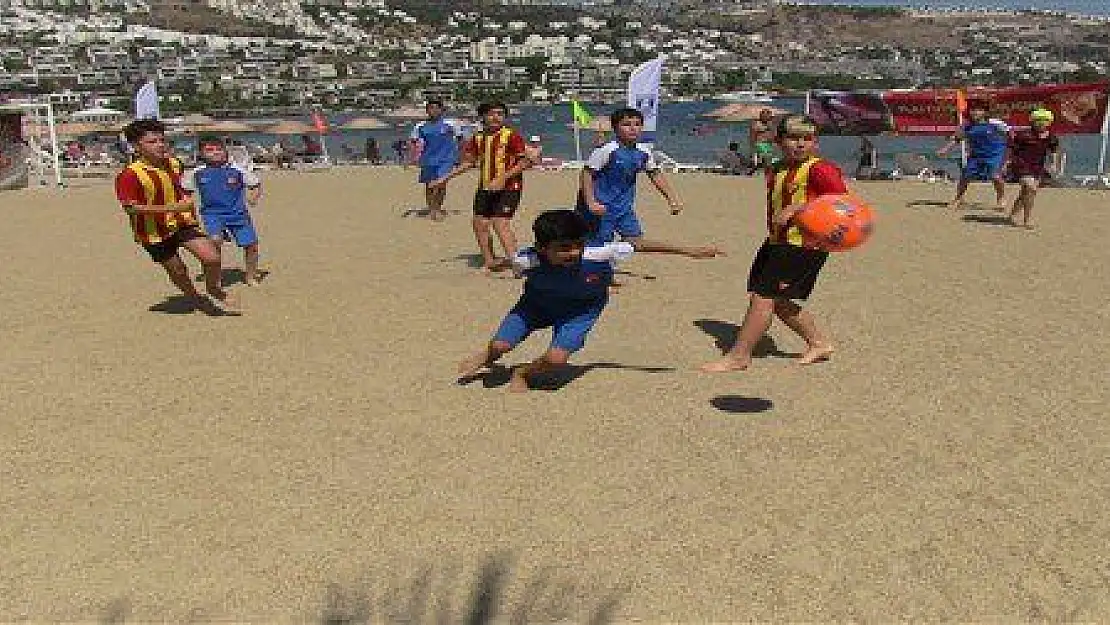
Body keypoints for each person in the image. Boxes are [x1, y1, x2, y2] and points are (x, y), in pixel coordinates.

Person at [458, 210, 693, 392]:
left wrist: (690, 251)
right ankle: (487, 357)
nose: (574, 252)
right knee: (501, 345)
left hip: (581, 310)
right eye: (563, 248)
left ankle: (523, 373)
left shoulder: (598, 253)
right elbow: (508, 263)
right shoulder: (528, 260)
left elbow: (640, 245)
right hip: (535, 305)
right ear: (541, 248)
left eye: (578, 245)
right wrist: (494, 265)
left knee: (556, 359)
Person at [700, 114, 841, 373]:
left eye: (807, 139)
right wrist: (755, 132)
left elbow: (842, 202)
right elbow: (761, 149)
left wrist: (799, 207)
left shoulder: (820, 169)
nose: (800, 144)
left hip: (803, 245)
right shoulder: (777, 167)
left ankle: (739, 356)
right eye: (793, 138)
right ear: (780, 141)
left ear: (816, 143)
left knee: (763, 297)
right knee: (777, 300)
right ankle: (819, 343)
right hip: (778, 242)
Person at [114, 119, 238, 313]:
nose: (160, 145)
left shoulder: (174, 164)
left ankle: (213, 288)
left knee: (211, 257)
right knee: (178, 269)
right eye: (152, 141)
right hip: (152, 231)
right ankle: (194, 296)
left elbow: (182, 191)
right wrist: (172, 208)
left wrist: (190, 212)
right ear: (137, 146)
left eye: (162, 140)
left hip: (182, 223)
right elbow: (131, 208)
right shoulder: (130, 175)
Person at [575, 107, 720, 265]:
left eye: (637, 124)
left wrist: (672, 199)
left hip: (623, 208)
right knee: (596, 248)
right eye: (626, 124)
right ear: (615, 128)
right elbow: (586, 174)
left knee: (636, 242)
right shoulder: (607, 150)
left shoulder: (643, 152)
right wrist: (590, 202)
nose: (633, 128)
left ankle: (688, 251)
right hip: (599, 208)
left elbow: (655, 174)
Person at [432, 100, 538, 272]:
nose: (495, 117)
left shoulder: (511, 136)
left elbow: (526, 162)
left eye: (500, 114)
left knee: (500, 222)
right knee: (479, 222)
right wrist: (445, 178)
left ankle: (517, 263)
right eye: (491, 113)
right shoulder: (477, 138)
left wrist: (503, 177)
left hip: (510, 187)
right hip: (485, 186)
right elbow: (469, 162)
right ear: (483, 116)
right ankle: (489, 260)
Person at [183, 135, 265, 286]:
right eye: (209, 150)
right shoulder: (196, 172)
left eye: (219, 149)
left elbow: (256, 184)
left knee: (251, 246)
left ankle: (251, 276)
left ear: (225, 151)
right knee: (214, 242)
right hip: (212, 215)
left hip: (238, 214)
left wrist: (253, 197)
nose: (215, 152)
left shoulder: (237, 170)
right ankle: (215, 277)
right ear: (201, 154)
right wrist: (187, 209)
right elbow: (186, 192)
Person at [936, 99, 1010, 211]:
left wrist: (1008, 156)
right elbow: (957, 138)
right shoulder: (967, 126)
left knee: (995, 176)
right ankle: (958, 199)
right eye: (972, 110)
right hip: (976, 155)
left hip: (995, 154)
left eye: (978, 110)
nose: (975, 113)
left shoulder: (995, 124)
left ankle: (1001, 198)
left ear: (985, 112)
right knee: (965, 177)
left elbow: (1010, 135)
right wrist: (945, 149)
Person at [1006, 108, 1060, 229]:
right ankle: (1027, 219)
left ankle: (1013, 214)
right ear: (1032, 121)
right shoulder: (1023, 135)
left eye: (1044, 120)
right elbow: (1011, 150)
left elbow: (1054, 152)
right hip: (1021, 165)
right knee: (1031, 188)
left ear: (1049, 122)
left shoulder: (1051, 137)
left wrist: (1054, 164)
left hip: (1037, 168)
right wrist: (1007, 163)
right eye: (1038, 120)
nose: (1041, 123)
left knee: (1026, 193)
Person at [409, 99, 463, 221]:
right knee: (429, 185)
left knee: (441, 184)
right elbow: (413, 141)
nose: (433, 111)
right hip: (428, 159)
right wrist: (412, 157)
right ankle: (431, 208)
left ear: (441, 110)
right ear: (427, 111)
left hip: (447, 159)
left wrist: (461, 156)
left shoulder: (451, 124)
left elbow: (460, 140)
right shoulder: (420, 126)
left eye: (436, 108)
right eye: (430, 108)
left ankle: (437, 209)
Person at [748, 108, 777, 174]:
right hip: (760, 143)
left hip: (768, 143)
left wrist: (774, 141)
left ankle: (760, 170)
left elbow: (773, 134)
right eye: (766, 115)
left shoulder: (770, 123)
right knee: (766, 158)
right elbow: (753, 133)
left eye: (769, 115)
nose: (768, 117)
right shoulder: (757, 123)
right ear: (761, 116)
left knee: (768, 158)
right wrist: (752, 144)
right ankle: (757, 169)